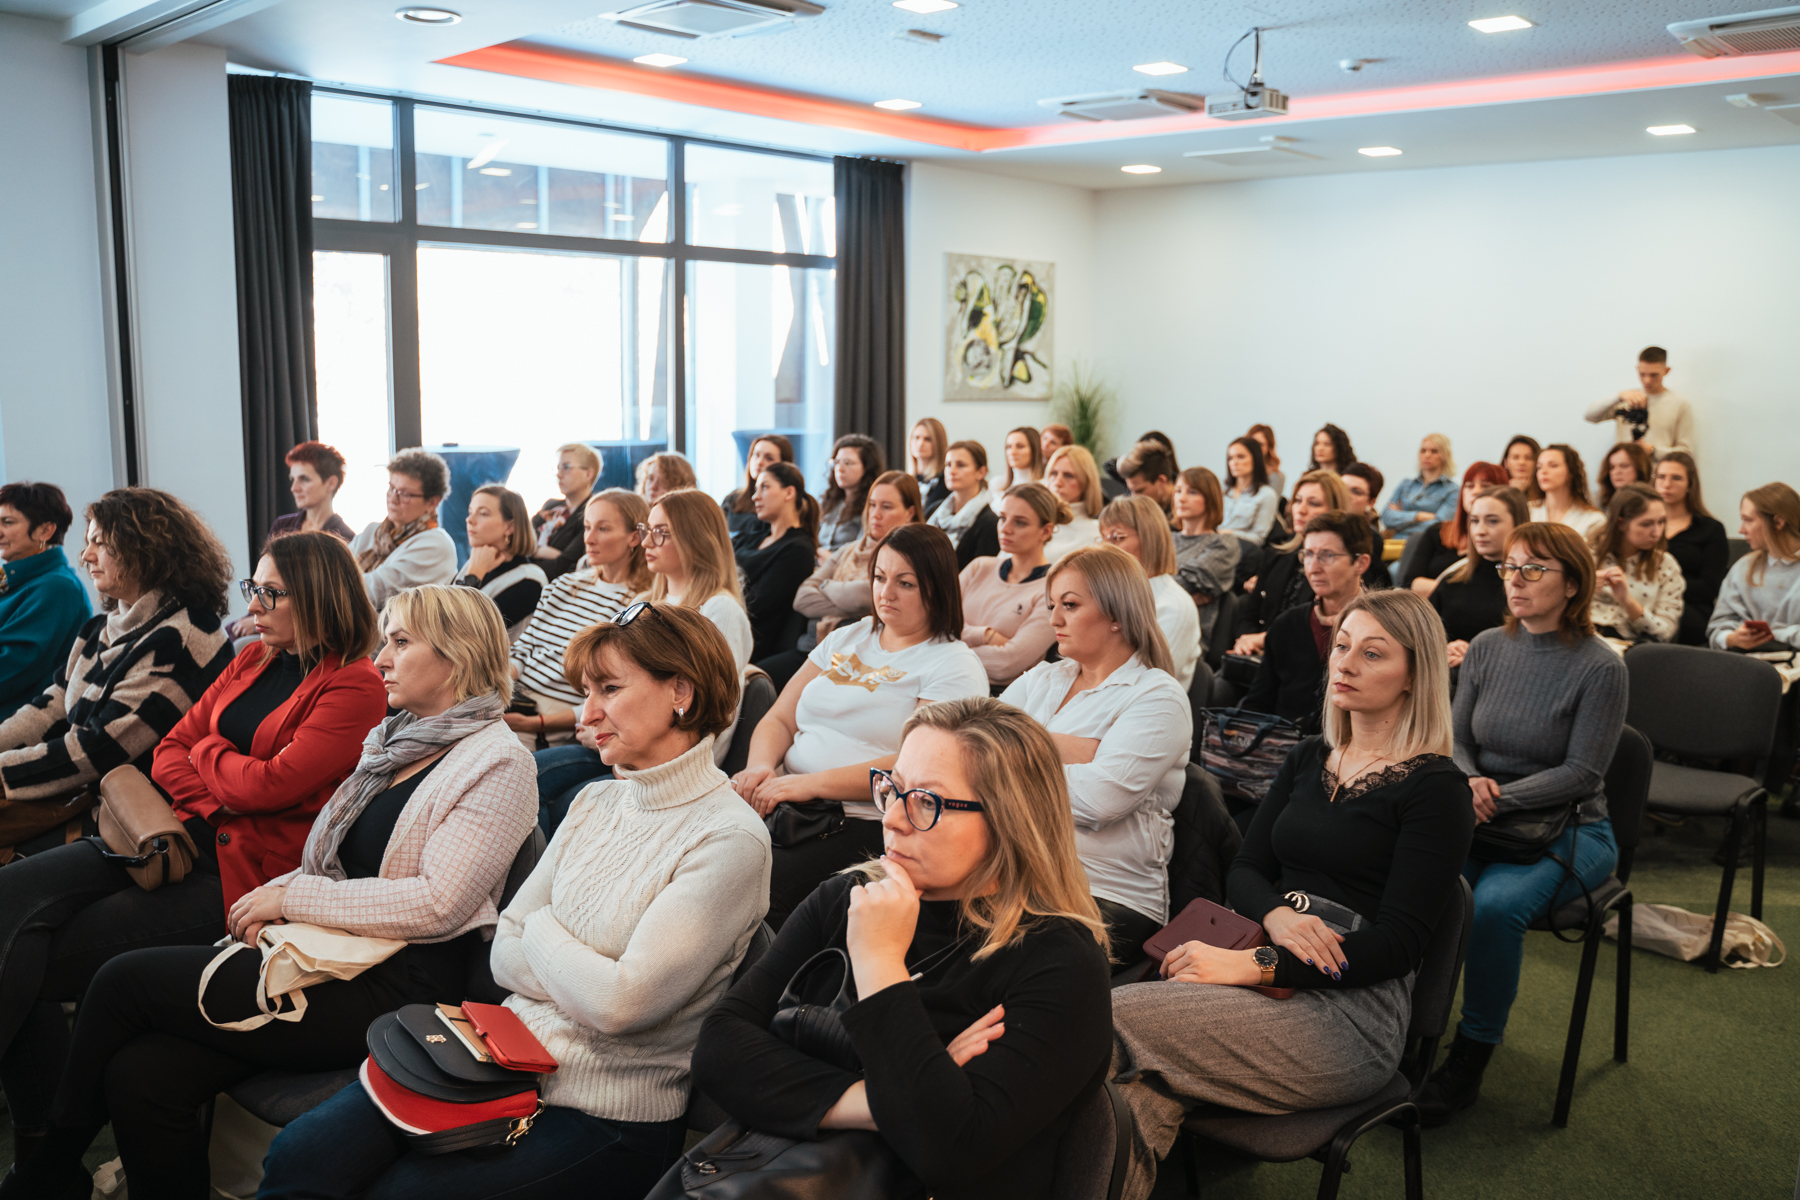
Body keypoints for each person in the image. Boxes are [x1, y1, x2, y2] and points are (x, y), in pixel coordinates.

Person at [8, 585, 538, 1196]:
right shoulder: (397, 741)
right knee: (142, 1074)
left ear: (457, 654)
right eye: (384, 640)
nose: (382, 659)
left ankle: (44, 1174)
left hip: (399, 983)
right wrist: (276, 898)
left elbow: (437, 905)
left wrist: (288, 901)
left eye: (400, 642)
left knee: (120, 980)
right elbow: (330, 859)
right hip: (334, 954)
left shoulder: (498, 761)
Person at [259, 603, 770, 1200]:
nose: (587, 714)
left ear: (680, 690)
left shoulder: (729, 839)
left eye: (610, 688)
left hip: (608, 1113)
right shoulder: (595, 803)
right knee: (299, 1154)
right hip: (498, 1062)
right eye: (586, 692)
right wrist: (564, 956)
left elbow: (620, 1005)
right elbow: (505, 951)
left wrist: (544, 927)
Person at [0, 532, 385, 1161]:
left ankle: (48, 1156)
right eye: (252, 588)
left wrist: (211, 759)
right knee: (11, 899)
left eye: (270, 593)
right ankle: (46, 1144)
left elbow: (272, 786)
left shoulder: (355, 685)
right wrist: (219, 778)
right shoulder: (254, 658)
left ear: (318, 597)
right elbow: (171, 749)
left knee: (36, 957)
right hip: (162, 837)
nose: (254, 605)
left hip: (234, 878)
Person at [1109, 591, 1473, 1199]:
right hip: (1268, 966)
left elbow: (1398, 947)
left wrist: (1254, 963)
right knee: (1134, 1096)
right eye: (1343, 646)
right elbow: (1246, 868)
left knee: (1108, 1017)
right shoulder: (1310, 756)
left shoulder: (1438, 790)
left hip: (1351, 1016)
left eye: (1373, 653)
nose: (1345, 663)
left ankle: (948, 1129)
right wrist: (1276, 915)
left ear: (1416, 675)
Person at [693, 698, 1113, 1200]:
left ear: (1009, 821)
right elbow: (718, 1048)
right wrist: (881, 1101)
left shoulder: (1057, 961)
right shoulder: (847, 895)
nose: (891, 819)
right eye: (892, 789)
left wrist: (880, 964)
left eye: (926, 802)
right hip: (769, 1177)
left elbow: (950, 1151)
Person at [1420, 522, 1625, 1125]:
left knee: (1491, 906)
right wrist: (1470, 780)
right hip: (1487, 815)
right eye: (1509, 568)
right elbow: (1455, 739)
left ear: (1572, 584)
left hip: (1572, 829)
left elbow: (1584, 772)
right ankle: (1404, 1026)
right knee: (1417, 881)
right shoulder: (1485, 646)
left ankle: (1471, 1057)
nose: (1515, 580)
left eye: (1533, 570)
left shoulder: (1600, 666)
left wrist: (1497, 795)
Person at [730, 524, 987, 929]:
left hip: (866, 819)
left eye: (905, 583)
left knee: (754, 890)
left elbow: (913, 769)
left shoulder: (953, 664)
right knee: (696, 856)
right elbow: (780, 716)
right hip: (788, 799)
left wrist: (809, 784)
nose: (886, 594)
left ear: (936, 588)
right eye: (880, 578)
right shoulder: (850, 636)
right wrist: (761, 767)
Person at [0, 489, 233, 856]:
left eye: (101, 543)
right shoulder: (102, 627)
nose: (86, 555)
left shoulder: (185, 637)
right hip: (81, 798)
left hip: (129, 822)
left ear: (146, 550)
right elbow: (49, 705)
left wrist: (2, 772)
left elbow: (100, 750)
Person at [999, 545, 1189, 963]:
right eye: (1053, 605)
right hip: (1016, 871)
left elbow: (1096, 803)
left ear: (1118, 614)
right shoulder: (1045, 678)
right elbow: (975, 749)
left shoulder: (1158, 696)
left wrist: (1016, 750)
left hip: (1104, 891)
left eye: (1069, 605)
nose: (1054, 620)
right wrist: (1074, 750)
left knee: (995, 960)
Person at [507, 490, 642, 753]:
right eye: (587, 527)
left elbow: (614, 691)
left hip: (561, 719)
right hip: (516, 699)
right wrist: (498, 691)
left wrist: (537, 723)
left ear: (634, 537)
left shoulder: (636, 605)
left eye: (603, 529)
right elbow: (523, 649)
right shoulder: (565, 584)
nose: (589, 539)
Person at [1244, 511, 1372, 732]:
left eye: (1327, 555)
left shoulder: (1381, 628)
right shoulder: (1287, 624)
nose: (1313, 567)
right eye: (1309, 554)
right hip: (1287, 751)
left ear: (1360, 563)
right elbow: (1259, 702)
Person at [793, 471, 924, 653]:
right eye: (872, 505)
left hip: (862, 652)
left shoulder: (912, 556)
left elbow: (868, 595)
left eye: (886, 507)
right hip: (812, 645)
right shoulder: (848, 549)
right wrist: (851, 605)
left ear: (910, 512)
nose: (875, 514)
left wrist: (825, 586)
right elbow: (802, 599)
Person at [1231, 470, 1349, 657]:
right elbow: (1249, 614)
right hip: (1257, 655)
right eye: (1298, 500)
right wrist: (1247, 642)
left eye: (1313, 503)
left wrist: (1264, 639)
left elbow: (1317, 631)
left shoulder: (1341, 566)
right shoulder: (1276, 554)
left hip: (1304, 659)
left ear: (1335, 511)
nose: (1300, 509)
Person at [959, 484, 1065, 690]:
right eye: (1002, 518)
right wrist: (987, 636)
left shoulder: (1053, 590)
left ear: (1046, 531)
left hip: (1000, 698)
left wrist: (951, 646)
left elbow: (1005, 664)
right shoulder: (979, 567)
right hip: (945, 681)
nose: (1005, 528)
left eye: (1020, 522)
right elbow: (935, 626)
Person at [0, 484, 89, 723]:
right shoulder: (19, 582)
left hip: (18, 732)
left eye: (7, 522)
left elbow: (10, 668)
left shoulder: (57, 588)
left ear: (45, 530)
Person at [1100, 496, 1200, 691]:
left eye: (1117, 538)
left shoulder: (1176, 606)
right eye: (1103, 539)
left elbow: (1148, 683)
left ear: (1149, 539)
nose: (1104, 549)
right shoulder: (1107, 597)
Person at [733, 462, 820, 669]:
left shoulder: (797, 549)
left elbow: (756, 605)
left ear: (789, 492)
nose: (755, 497)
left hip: (751, 643)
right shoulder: (750, 538)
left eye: (764, 487)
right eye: (755, 489)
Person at [1431, 486, 1527, 668]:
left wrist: (1476, 654)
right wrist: (1444, 649)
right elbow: (1422, 635)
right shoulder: (1453, 579)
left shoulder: (1526, 584)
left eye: (1492, 521)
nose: (1480, 531)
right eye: (1474, 521)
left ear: (1517, 524)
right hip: (1446, 676)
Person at [350, 449, 458, 610]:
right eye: (392, 488)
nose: (393, 498)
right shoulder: (373, 532)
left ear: (432, 502)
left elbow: (375, 591)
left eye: (405, 494)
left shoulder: (436, 545)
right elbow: (336, 567)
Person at [1709, 482, 1800, 652]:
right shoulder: (1743, 568)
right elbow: (1717, 628)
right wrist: (1732, 638)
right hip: (1750, 664)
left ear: (1778, 522)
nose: (1741, 529)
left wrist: (1773, 636)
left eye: (1748, 520)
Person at [1589, 484, 1684, 644]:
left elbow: (1665, 632)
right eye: (1646, 524)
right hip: (1585, 637)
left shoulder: (1666, 565)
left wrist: (1627, 601)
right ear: (1621, 523)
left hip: (1632, 647)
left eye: (1661, 522)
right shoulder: (1588, 555)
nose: (1657, 532)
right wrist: (1585, 586)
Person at [1654, 451, 1729, 646]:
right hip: (1644, 602)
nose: (1667, 484)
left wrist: (1665, 587)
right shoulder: (1642, 525)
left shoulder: (1710, 529)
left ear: (1690, 484)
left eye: (1676, 478)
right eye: (1661, 477)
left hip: (1691, 610)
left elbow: (1709, 588)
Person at [1405, 463, 1510, 598]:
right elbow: (1410, 583)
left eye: (1485, 486)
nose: (1476, 491)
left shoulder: (1503, 541)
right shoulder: (1437, 531)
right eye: (1469, 486)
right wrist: (1456, 592)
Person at [458, 485, 546, 645]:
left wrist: (473, 577)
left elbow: (457, 632)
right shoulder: (476, 560)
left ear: (510, 527)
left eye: (483, 513)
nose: (469, 520)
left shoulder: (529, 581)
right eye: (471, 512)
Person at [1170, 467, 1242, 650]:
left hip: (1186, 635)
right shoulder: (1165, 539)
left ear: (1210, 499)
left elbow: (1183, 584)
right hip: (1148, 624)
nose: (1181, 498)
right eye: (1178, 491)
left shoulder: (1223, 544)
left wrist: (1157, 584)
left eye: (1192, 492)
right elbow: (1136, 585)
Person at [1584, 345, 1695, 457]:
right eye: (1642, 374)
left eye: (1654, 375)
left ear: (1666, 371)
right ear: (1637, 369)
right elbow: (1590, 416)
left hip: (1657, 472)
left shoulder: (1679, 404)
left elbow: (1685, 452)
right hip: (1623, 472)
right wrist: (1618, 397)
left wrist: (1653, 451)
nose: (1647, 380)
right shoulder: (1626, 398)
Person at [530, 443, 600, 582]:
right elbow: (519, 543)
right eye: (558, 468)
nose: (559, 474)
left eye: (567, 467)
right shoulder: (550, 505)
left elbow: (564, 566)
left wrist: (533, 552)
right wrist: (541, 552)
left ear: (588, 474)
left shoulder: (592, 514)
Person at [927, 440, 1001, 570]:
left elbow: (980, 576)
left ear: (981, 472)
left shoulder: (989, 523)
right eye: (948, 465)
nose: (952, 471)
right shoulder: (934, 510)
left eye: (960, 465)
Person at [268, 441, 355, 542]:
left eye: (304, 479)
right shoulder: (281, 527)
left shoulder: (346, 538)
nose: (294, 488)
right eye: (293, 479)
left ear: (331, 483)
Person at [818, 434, 884, 559]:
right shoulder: (832, 501)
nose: (840, 469)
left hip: (847, 569)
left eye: (847, 463)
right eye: (837, 462)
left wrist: (828, 559)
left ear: (867, 468)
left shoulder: (872, 506)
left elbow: (862, 553)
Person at [1381, 434, 1458, 540]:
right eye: (1423, 450)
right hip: (1395, 545)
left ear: (1444, 455)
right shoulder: (1405, 485)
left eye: (1434, 451)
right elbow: (1385, 517)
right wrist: (1419, 516)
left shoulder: (1453, 491)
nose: (1427, 455)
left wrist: (1400, 518)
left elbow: (1438, 527)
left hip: (1424, 546)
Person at [1527, 444, 1605, 540]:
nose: (1543, 471)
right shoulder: (1528, 510)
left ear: (1570, 472)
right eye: (1539, 467)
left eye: (1553, 465)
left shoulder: (1592, 519)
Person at [722, 434, 793, 540]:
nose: (759, 462)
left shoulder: (783, 504)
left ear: (783, 466)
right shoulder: (733, 499)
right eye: (756, 455)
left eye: (769, 458)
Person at [1043, 445, 1104, 562]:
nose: (1058, 482)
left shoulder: (1096, 535)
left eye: (1068, 475)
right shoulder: (1034, 523)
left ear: (1086, 482)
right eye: (1053, 473)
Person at [1220, 436, 1280, 546]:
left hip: (1239, 549)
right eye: (1230, 458)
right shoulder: (1222, 489)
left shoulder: (1266, 494)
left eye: (1241, 457)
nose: (1234, 462)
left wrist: (1229, 533)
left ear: (1256, 459)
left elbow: (1258, 538)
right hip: (1211, 543)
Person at [1341, 463, 1393, 591]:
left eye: (1356, 492)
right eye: (1341, 488)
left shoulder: (1370, 539)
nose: (1346, 496)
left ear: (1372, 502)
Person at [1115, 440, 1178, 518]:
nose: (1133, 498)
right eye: (1131, 491)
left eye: (1140, 491)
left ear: (1161, 481)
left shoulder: (1184, 514)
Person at [989, 426, 1044, 514]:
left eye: (1020, 446)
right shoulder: (996, 484)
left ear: (1034, 450)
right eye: (1008, 447)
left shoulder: (1045, 486)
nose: (1012, 452)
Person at [909, 416, 951, 515]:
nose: (920, 443)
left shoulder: (945, 482)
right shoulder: (906, 480)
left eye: (927, 439)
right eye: (916, 438)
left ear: (938, 443)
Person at [1596, 441, 1653, 510]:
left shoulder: (1652, 502)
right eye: (1612, 467)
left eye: (1624, 466)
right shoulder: (1600, 501)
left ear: (1639, 469)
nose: (1616, 472)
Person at [1247, 423, 1285, 497]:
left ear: (1269, 447)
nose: (1255, 448)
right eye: (1252, 443)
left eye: (1260, 444)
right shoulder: (1238, 470)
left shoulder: (1275, 476)